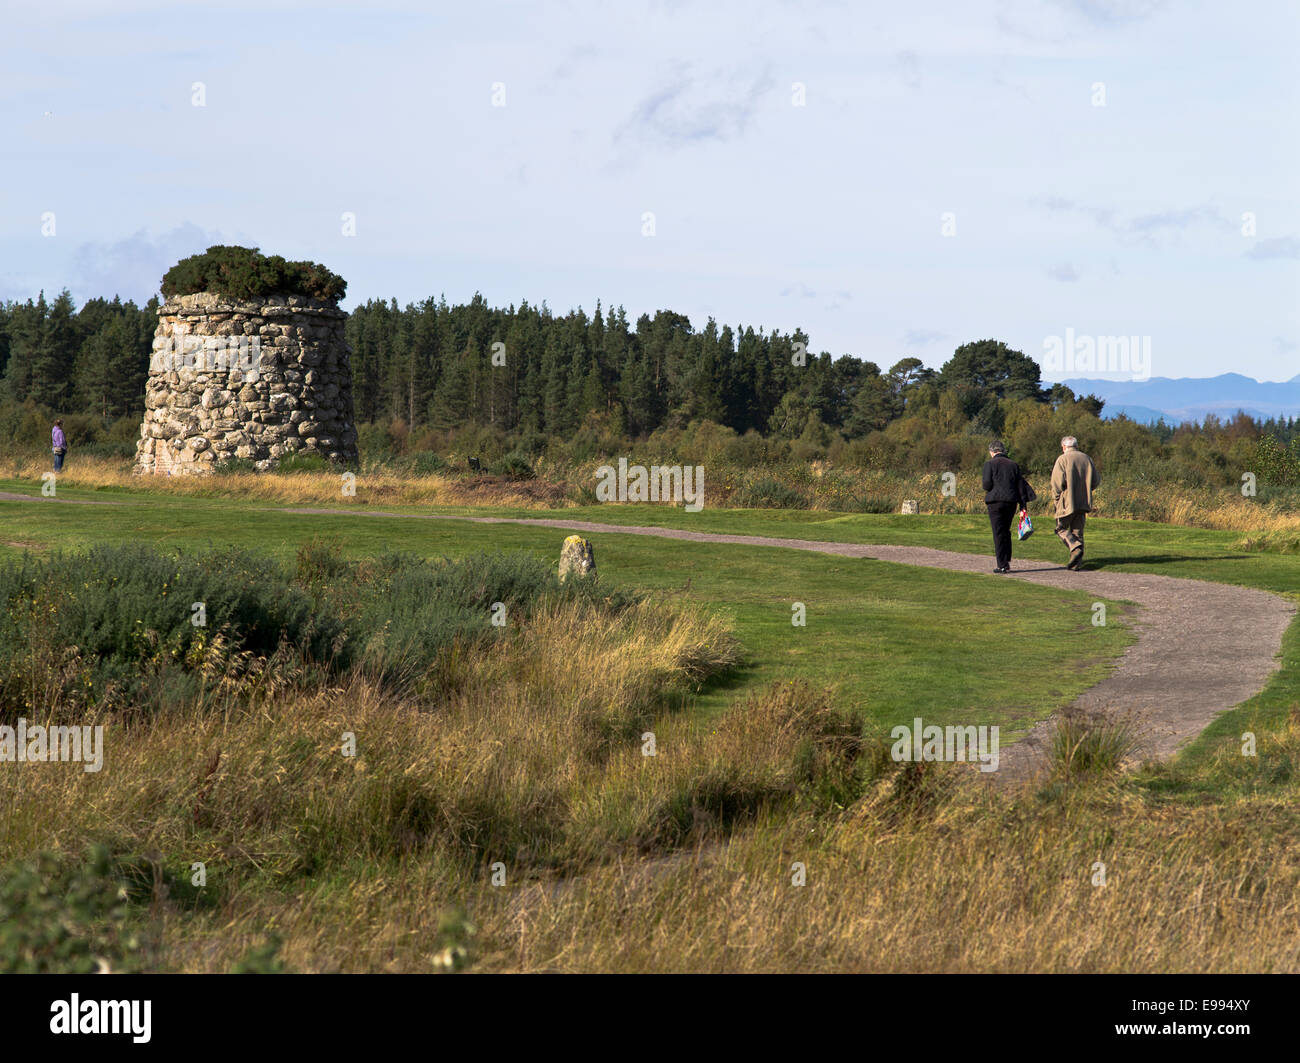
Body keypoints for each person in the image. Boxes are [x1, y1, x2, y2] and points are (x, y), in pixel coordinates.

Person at [1051, 435, 1100, 570]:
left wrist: (1056, 499)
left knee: (1060, 528)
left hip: (1067, 501)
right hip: (1083, 501)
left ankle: (1074, 547)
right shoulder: (1087, 459)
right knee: (1077, 532)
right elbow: (1095, 481)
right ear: (1076, 446)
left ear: (1064, 447)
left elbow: (1056, 483)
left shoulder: (1062, 459)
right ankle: (1076, 564)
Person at [981, 440, 1028, 573]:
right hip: (1011, 501)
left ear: (992, 452)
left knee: (998, 532)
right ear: (1003, 450)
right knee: (1006, 530)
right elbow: (1021, 487)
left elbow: (986, 485)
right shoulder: (1013, 465)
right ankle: (1006, 560)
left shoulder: (989, 464)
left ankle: (1002, 564)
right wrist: (1023, 506)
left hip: (995, 502)